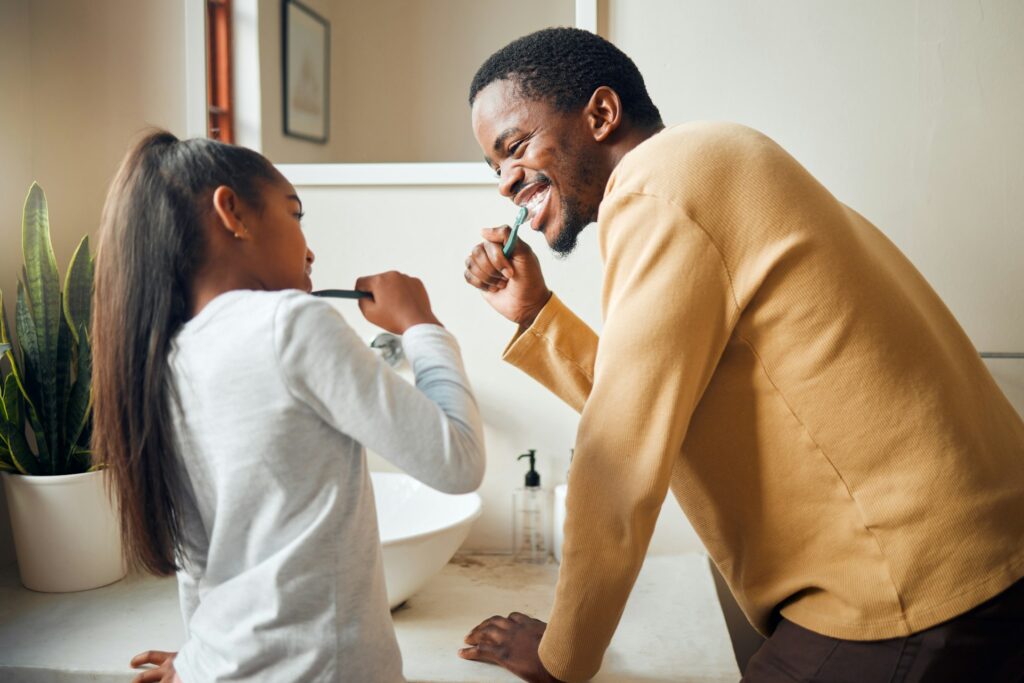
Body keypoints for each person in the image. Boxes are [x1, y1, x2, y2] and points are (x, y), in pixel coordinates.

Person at [459, 27, 1024, 683]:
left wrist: (562, 656)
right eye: (493, 167)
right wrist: (534, 314)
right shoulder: (707, 162)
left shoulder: (655, 188)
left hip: (906, 590)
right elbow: (660, 401)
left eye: (515, 148)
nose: (505, 183)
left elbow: (619, 456)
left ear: (602, 114)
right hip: (973, 562)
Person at [91, 131, 485, 682]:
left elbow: (200, 556)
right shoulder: (290, 324)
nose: (309, 248)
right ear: (232, 213)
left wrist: (197, 658)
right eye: (294, 214)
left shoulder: (166, 357)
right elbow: (458, 462)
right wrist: (421, 325)